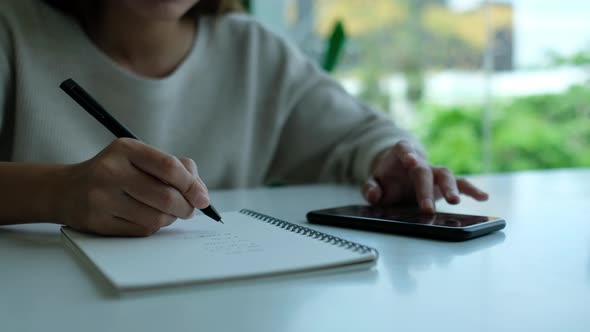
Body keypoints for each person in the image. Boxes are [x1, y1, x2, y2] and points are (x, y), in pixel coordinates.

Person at [0, 0, 488, 236]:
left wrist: (393, 161)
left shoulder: (252, 51)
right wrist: (55, 190)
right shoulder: (12, 31)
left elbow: (365, 136)